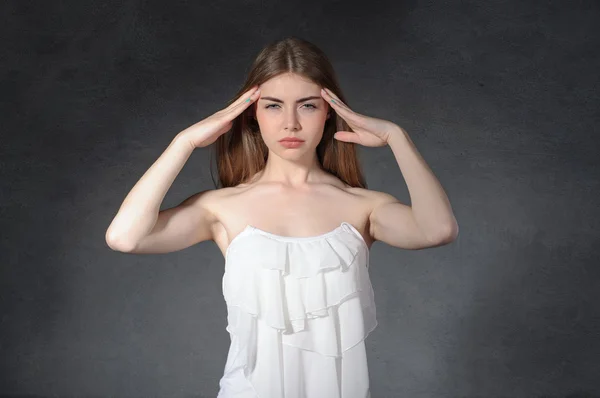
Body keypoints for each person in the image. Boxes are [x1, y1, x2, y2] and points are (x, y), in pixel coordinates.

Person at [105, 37, 458, 398]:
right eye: (273, 106)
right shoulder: (221, 206)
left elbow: (438, 229)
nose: (290, 123)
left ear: (328, 112)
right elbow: (125, 238)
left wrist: (397, 138)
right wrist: (184, 142)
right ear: (252, 115)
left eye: (307, 106)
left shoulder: (363, 206)